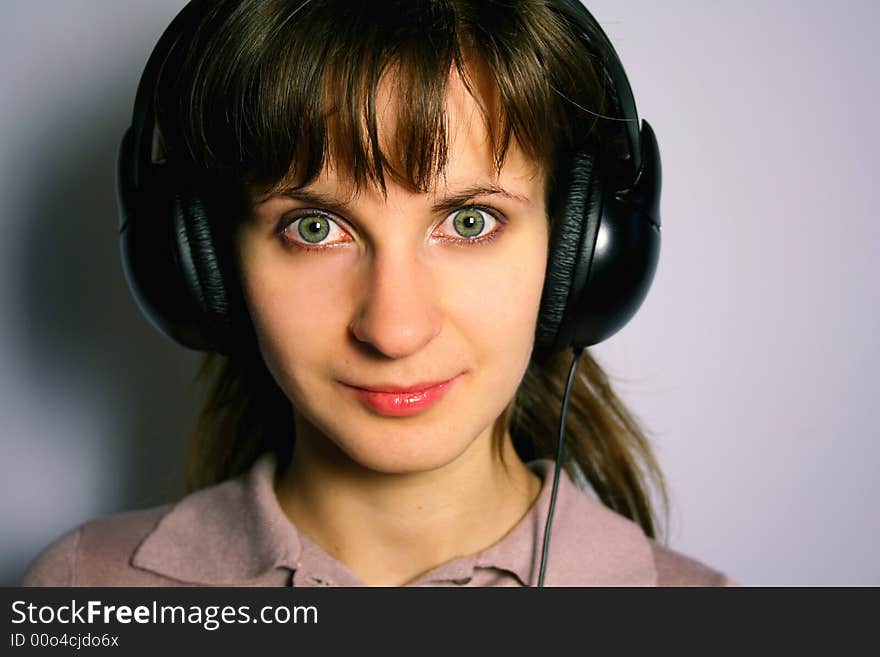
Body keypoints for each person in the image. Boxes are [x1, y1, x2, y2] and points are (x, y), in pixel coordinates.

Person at [22, 0, 736, 587]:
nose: (393, 329)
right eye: (313, 226)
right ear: (204, 263)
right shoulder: (82, 587)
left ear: (582, 249)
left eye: (469, 220)